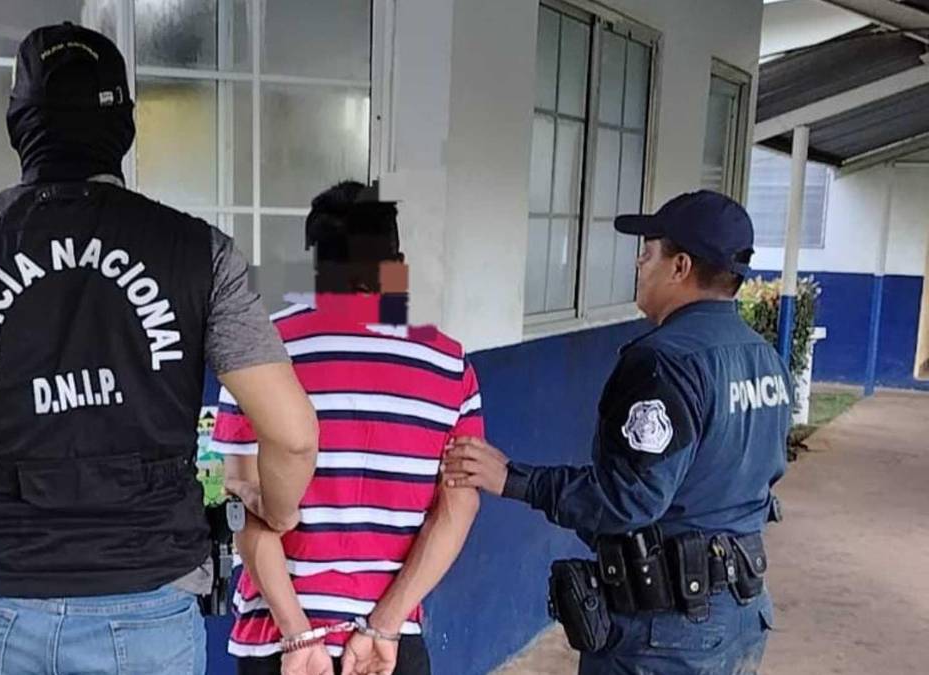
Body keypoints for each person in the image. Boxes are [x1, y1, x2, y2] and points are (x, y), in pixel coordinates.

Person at [0, 22, 319, 675]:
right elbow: (293, 437)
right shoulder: (199, 255)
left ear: (18, 126)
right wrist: (280, 507)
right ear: (124, 126)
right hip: (147, 614)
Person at [443, 190, 787, 674]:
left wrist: (515, 480)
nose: (638, 264)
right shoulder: (763, 357)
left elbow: (628, 501)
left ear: (680, 266)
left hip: (668, 634)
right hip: (739, 613)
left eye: (648, 252)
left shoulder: (664, 362)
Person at [212, 181, 484, 675]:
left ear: (316, 265)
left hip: (281, 646)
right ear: (396, 265)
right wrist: (383, 625)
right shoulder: (449, 364)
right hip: (389, 650)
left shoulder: (260, 355)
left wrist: (298, 634)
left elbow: (242, 507)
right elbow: (458, 507)